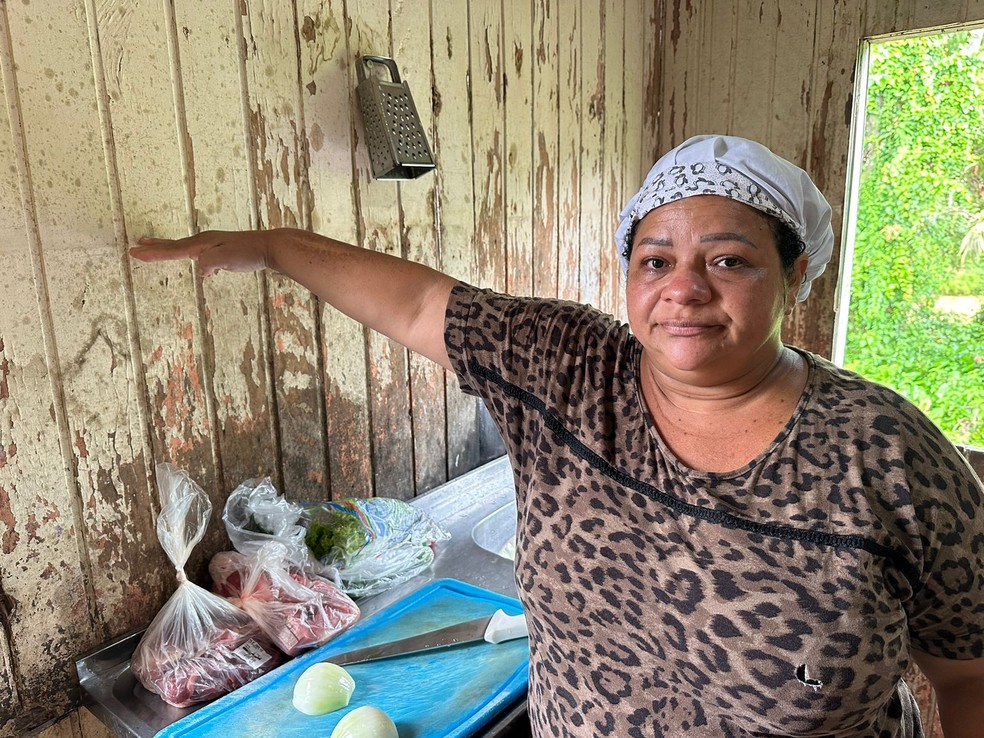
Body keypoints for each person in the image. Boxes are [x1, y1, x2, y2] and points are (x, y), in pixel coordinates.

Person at [131, 135, 984, 737]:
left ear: (796, 273)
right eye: (655, 259)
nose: (682, 288)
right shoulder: (571, 369)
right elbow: (422, 304)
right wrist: (271, 247)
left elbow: (968, 674)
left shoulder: (885, 452)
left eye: (728, 260)